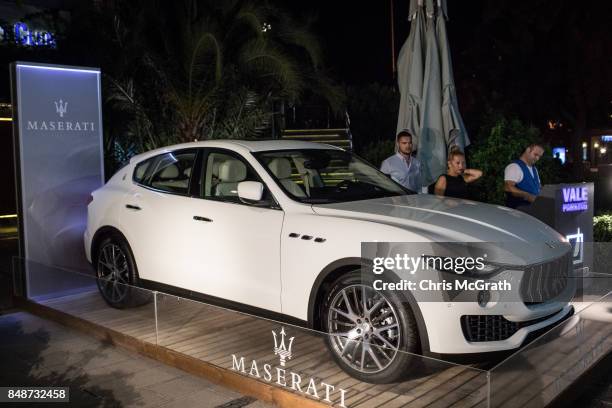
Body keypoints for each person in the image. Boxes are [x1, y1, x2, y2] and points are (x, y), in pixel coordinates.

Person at [504, 143, 544, 208]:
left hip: (534, 210)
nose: (537, 158)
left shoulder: (534, 169)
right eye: (535, 154)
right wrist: (528, 196)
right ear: (528, 150)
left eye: (539, 156)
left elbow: (538, 187)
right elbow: (508, 188)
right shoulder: (514, 166)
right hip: (518, 211)